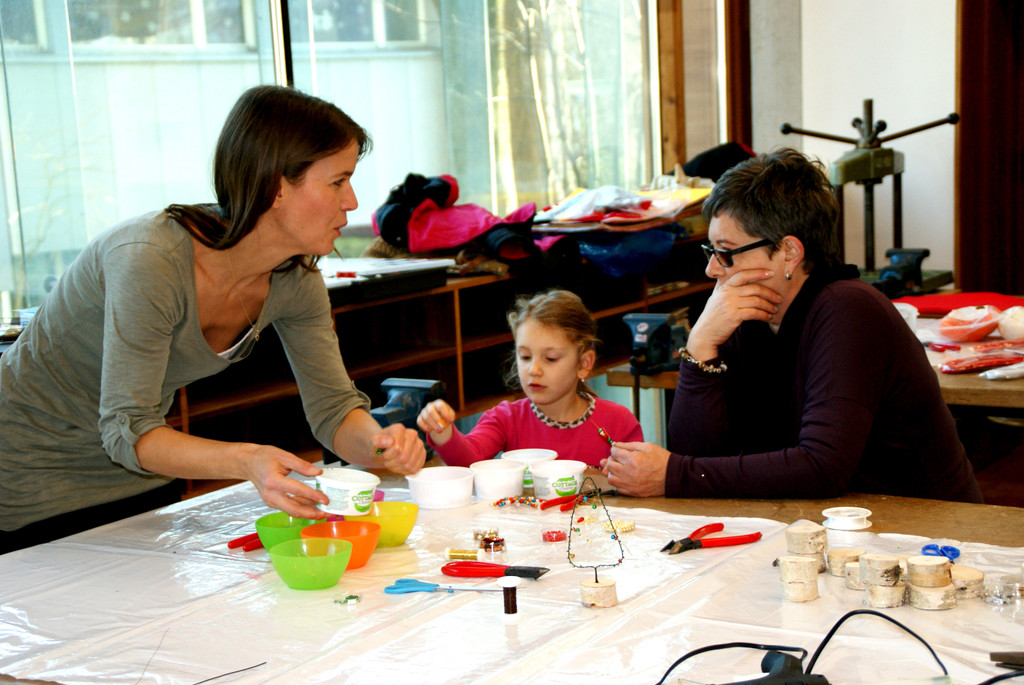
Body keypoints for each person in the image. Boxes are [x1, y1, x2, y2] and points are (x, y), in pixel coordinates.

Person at [0, 85, 427, 552]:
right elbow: (128, 429)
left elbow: (334, 410)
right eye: (338, 182)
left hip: (140, 476)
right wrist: (247, 459)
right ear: (276, 186)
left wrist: (380, 444)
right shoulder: (149, 259)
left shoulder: (294, 278)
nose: (352, 201)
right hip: (27, 482)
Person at [603, 148, 982, 503]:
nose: (712, 269)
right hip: (824, 525)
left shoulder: (849, 309)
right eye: (711, 251)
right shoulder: (748, 312)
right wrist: (700, 343)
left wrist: (674, 475)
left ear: (789, 252)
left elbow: (822, 467)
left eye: (726, 253)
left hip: (925, 530)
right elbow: (698, 453)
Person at [417, 289, 642, 467]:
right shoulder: (505, 418)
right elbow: (468, 459)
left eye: (550, 358)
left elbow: (639, 484)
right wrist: (442, 430)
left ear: (583, 364)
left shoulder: (618, 423)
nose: (533, 369)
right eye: (525, 357)